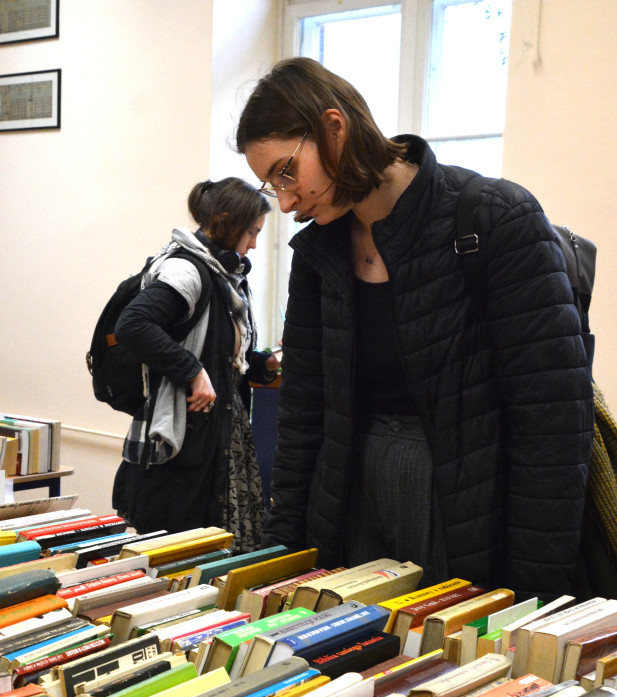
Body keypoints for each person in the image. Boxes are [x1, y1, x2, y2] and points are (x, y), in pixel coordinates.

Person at [235, 57, 594, 600]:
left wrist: (534, 597)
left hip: (469, 516)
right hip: (352, 519)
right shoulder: (319, 253)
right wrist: (287, 557)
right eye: (270, 186)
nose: (285, 201)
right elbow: (304, 415)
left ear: (335, 127)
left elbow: (552, 427)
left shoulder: (494, 219)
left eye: (286, 172)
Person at [112, 177, 279, 552]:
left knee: (215, 557)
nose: (253, 243)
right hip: (182, 447)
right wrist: (192, 371)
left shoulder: (226, 277)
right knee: (181, 557)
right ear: (225, 223)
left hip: (217, 436)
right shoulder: (187, 270)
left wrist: (259, 362)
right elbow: (133, 325)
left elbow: (217, 352)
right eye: (251, 232)